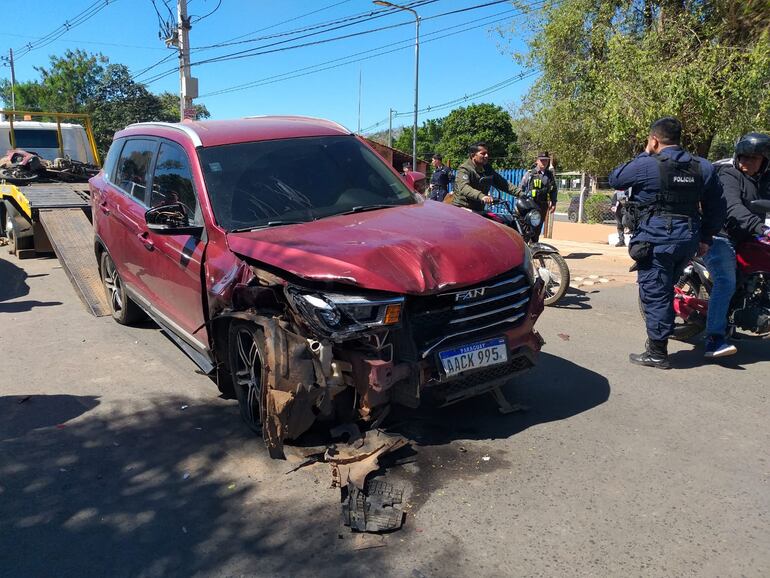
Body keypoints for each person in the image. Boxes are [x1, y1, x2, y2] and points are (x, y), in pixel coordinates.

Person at [609, 117, 725, 369]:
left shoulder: (647, 165)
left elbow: (616, 178)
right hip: (688, 239)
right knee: (667, 287)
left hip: (656, 240)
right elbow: (717, 206)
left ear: (654, 140)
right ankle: (667, 332)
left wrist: (644, 153)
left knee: (655, 293)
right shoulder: (702, 167)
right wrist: (706, 237)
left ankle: (657, 352)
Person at [702, 132, 770, 358]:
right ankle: (714, 339)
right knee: (726, 281)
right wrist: (763, 229)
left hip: (746, 236)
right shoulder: (728, 174)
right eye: (743, 157)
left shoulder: (762, 180)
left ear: (764, 161)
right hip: (719, 236)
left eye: (753, 158)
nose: (746, 162)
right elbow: (733, 208)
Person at [452, 142, 518, 212]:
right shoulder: (465, 169)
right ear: (473, 155)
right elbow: (464, 187)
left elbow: (503, 183)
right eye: (483, 153)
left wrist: (521, 194)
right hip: (463, 208)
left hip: (479, 209)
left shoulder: (487, 168)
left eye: (487, 153)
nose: (486, 156)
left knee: (500, 220)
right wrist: (482, 196)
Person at [519, 151, 558, 242]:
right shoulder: (530, 174)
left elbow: (553, 190)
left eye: (546, 160)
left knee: (538, 227)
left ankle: (534, 248)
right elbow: (521, 188)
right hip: (530, 205)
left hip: (542, 205)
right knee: (527, 227)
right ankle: (524, 248)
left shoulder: (550, 175)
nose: (544, 162)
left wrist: (554, 203)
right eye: (542, 160)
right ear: (537, 161)